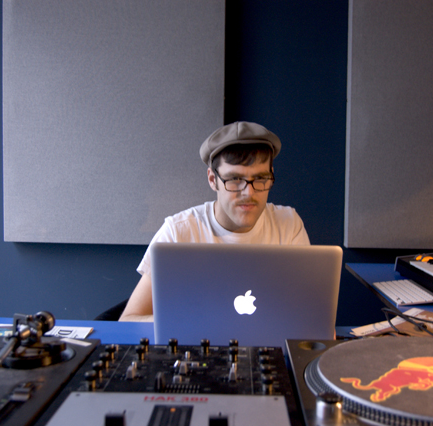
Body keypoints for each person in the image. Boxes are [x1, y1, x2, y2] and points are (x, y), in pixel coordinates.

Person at [119, 121, 310, 321]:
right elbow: (129, 320)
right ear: (212, 179)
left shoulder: (289, 224)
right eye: (235, 179)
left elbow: (308, 311)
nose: (249, 193)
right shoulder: (178, 232)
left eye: (260, 178)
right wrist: (185, 323)